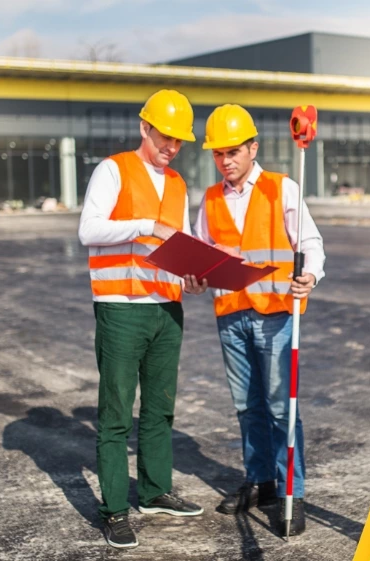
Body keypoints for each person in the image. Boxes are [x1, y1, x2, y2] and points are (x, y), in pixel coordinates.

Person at [78, 89, 208, 549]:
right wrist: (142, 225)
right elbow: (88, 229)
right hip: (120, 309)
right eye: (164, 137)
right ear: (144, 128)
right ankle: (114, 509)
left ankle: (154, 492)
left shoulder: (177, 185)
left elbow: (184, 244)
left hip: (166, 310)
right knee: (115, 414)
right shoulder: (113, 170)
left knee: (159, 409)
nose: (171, 147)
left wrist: (194, 277)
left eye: (178, 141)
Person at [193, 104, 325, 536]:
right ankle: (261, 481)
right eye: (218, 154)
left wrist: (309, 275)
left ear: (253, 147)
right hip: (230, 316)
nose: (225, 161)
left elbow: (310, 241)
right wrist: (194, 277)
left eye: (232, 151)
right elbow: (201, 252)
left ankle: (292, 492)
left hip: (274, 315)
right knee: (247, 407)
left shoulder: (280, 188)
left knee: (279, 407)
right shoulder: (211, 200)